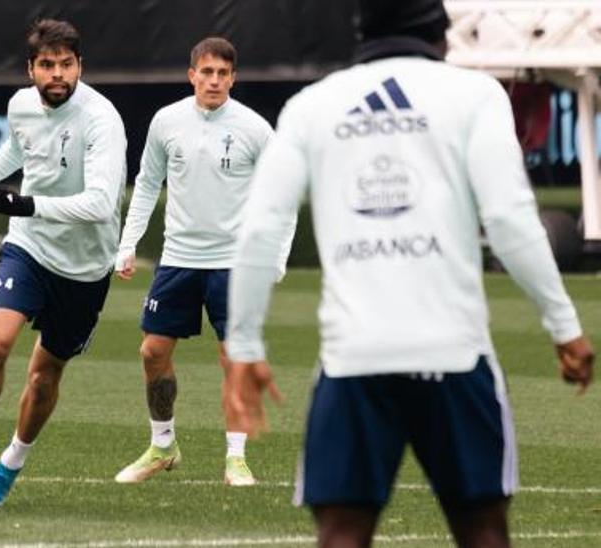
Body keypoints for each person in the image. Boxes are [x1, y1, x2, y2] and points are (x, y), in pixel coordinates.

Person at [224, 1, 594, 546]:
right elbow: (510, 219)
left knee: (342, 536)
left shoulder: (312, 106)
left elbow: (260, 227)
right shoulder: (475, 96)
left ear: (359, 30)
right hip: (456, 356)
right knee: (484, 534)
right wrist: (564, 326)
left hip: (354, 361)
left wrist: (245, 345)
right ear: (443, 35)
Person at [0, 18, 127, 508]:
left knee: (45, 374)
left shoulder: (103, 119)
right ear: (31, 69)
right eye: (47, 65)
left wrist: (26, 203)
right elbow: (15, 152)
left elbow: (101, 204)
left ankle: (10, 465)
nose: (57, 74)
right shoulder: (21, 105)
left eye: (66, 64)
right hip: (30, 246)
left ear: (80, 65)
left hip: (84, 268)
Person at [111, 37, 292, 487]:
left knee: (233, 358)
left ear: (233, 77)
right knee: (153, 352)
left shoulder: (254, 128)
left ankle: (235, 458)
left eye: (222, 74)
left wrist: (278, 257)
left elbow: (281, 197)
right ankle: (163, 445)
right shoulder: (166, 121)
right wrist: (127, 242)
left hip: (235, 263)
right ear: (192, 74)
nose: (214, 81)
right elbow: (148, 183)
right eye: (206, 72)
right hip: (177, 259)